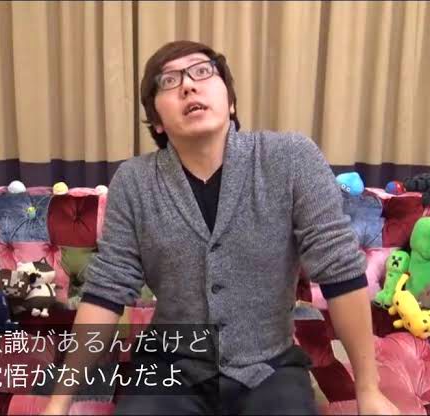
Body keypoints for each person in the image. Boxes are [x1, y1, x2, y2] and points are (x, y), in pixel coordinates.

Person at [42, 40, 399, 415]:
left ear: (230, 102)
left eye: (202, 72)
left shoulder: (291, 158)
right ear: (157, 121)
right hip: (170, 368)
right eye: (169, 81)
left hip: (270, 367)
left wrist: (368, 390)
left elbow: (339, 270)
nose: (188, 85)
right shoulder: (134, 181)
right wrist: (58, 402)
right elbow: (106, 291)